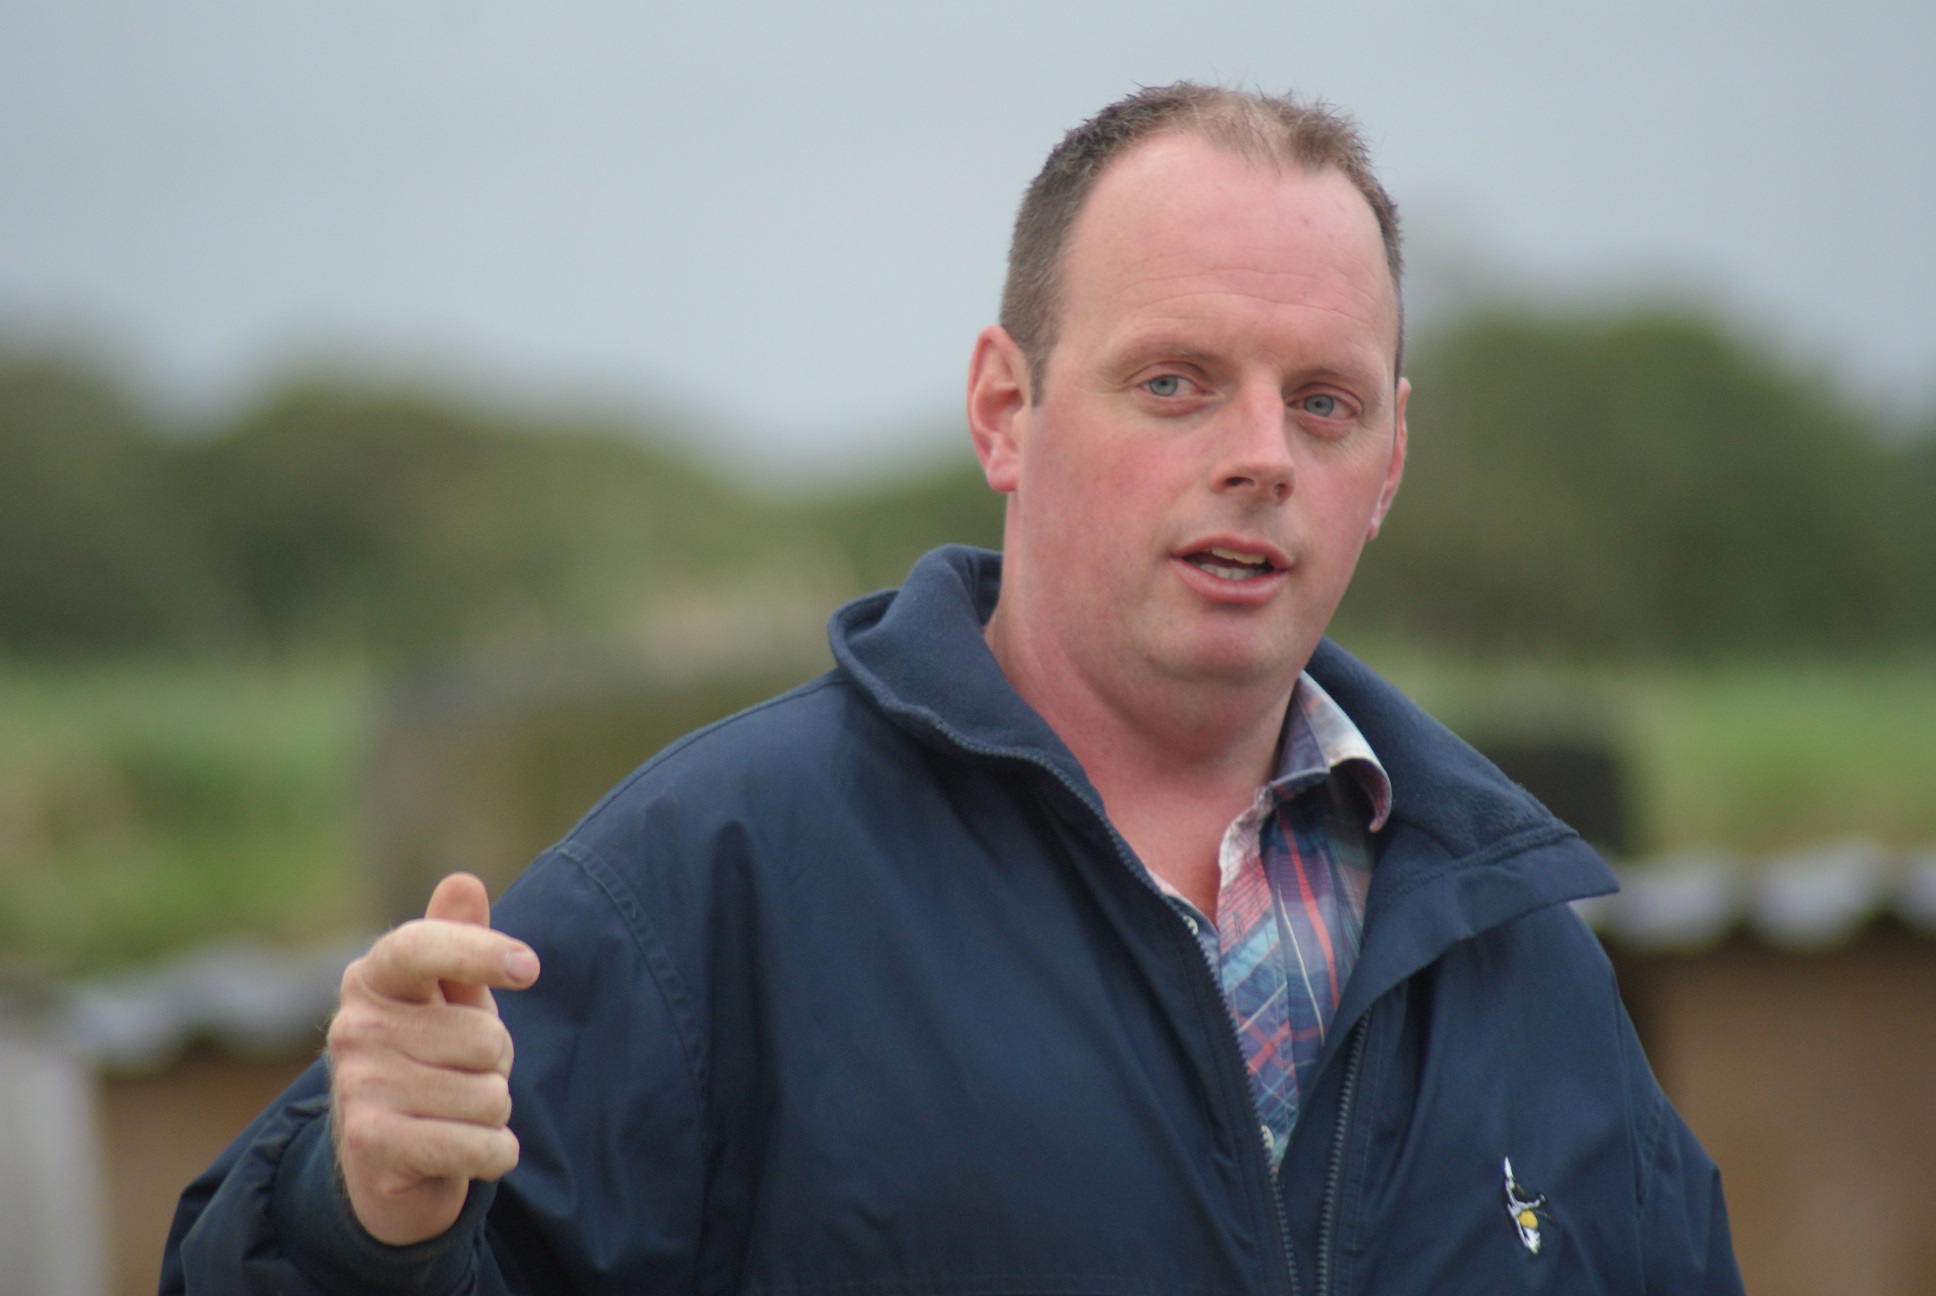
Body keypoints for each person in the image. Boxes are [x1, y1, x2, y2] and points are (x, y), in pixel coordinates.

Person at [163, 83, 1743, 1293]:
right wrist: (359, 1209)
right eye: (1176, 382)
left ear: (1388, 461)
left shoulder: (1524, 961)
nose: (1263, 454)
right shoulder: (711, 883)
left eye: (1321, 402)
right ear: (1007, 409)